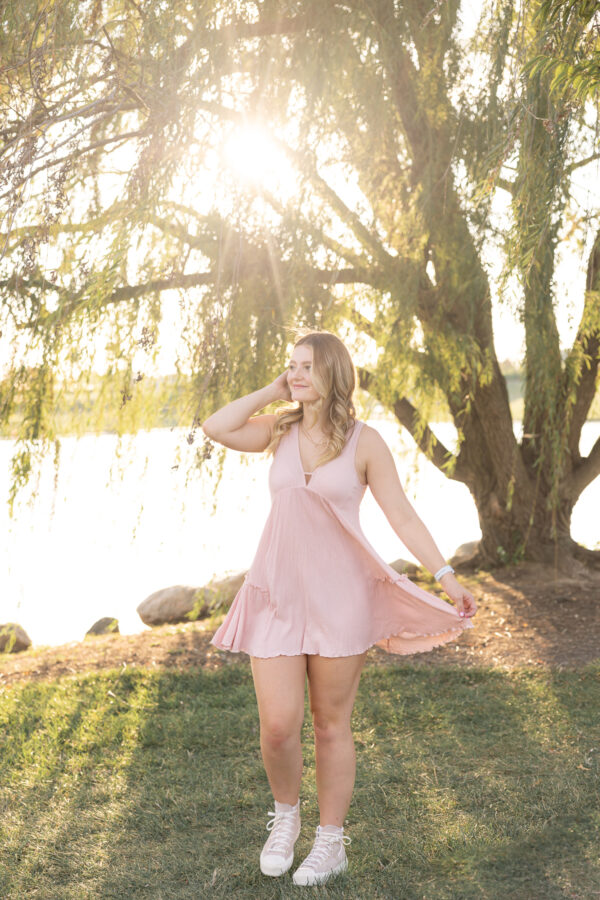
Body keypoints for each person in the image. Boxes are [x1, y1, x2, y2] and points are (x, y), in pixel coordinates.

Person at [201, 330, 477, 886]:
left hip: (340, 601)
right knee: (278, 727)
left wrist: (446, 577)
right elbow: (216, 427)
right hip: (276, 596)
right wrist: (272, 389)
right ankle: (286, 819)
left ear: (334, 373)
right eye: (291, 366)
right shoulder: (279, 431)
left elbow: (400, 515)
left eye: (307, 367)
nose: (296, 374)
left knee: (330, 726)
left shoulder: (365, 442)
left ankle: (330, 842)